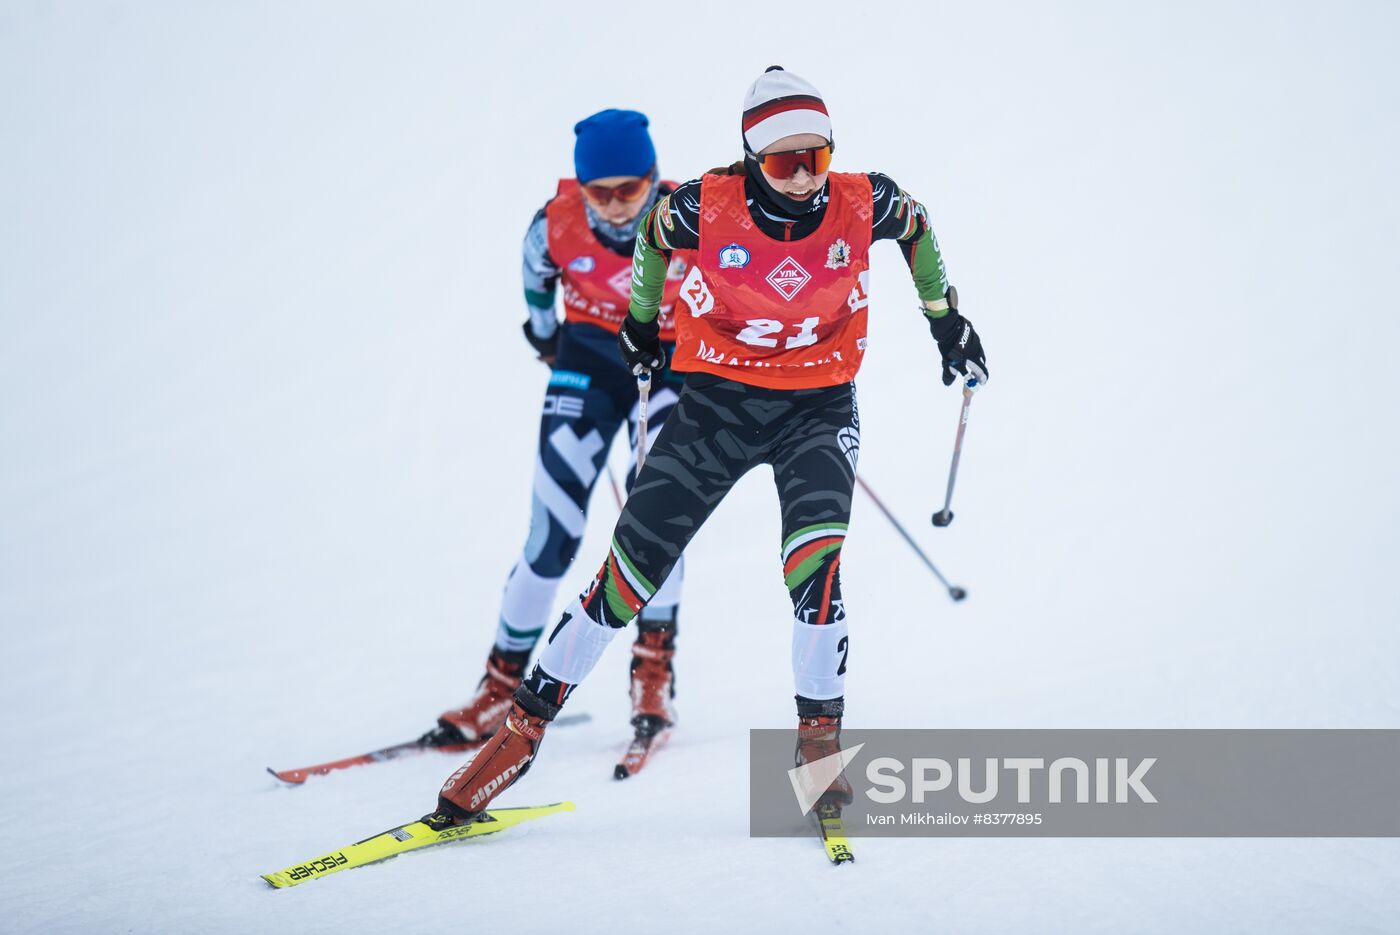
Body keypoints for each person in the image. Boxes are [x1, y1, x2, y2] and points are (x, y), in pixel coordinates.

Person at [430, 67, 988, 823]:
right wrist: (640, 321)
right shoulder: (700, 206)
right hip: (715, 406)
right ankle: (519, 737)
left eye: (816, 158)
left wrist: (944, 319)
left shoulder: (864, 198)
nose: (803, 179)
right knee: (625, 577)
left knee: (815, 565)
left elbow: (917, 225)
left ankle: (818, 745)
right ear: (755, 158)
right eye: (785, 161)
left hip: (817, 408)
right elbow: (655, 242)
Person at [433, 110, 693, 765]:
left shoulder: (691, 217)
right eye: (596, 191)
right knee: (550, 534)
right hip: (589, 361)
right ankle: (499, 685)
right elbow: (536, 285)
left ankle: (652, 677)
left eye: (628, 189)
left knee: (654, 519)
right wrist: (546, 335)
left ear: (653, 178)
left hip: (670, 366)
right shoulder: (553, 222)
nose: (612, 206)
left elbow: (739, 286)